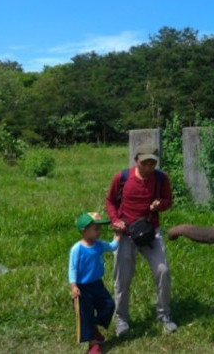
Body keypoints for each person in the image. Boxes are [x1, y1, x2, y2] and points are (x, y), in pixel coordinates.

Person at [104, 143, 177, 336]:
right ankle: (122, 319)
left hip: (150, 231)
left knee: (163, 271)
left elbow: (169, 200)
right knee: (122, 278)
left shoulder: (161, 178)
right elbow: (110, 201)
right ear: (136, 160)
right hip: (126, 233)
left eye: (152, 163)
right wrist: (115, 220)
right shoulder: (122, 177)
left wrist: (160, 205)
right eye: (145, 163)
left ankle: (164, 314)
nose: (148, 167)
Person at [69, 212, 120, 354]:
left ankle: (93, 327)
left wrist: (118, 235)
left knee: (109, 305)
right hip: (82, 288)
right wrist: (73, 286)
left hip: (97, 284)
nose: (99, 232)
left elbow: (112, 246)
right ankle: (93, 344)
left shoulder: (99, 245)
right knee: (86, 314)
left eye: (99, 228)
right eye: (95, 229)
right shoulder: (77, 249)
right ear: (84, 231)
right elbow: (72, 269)